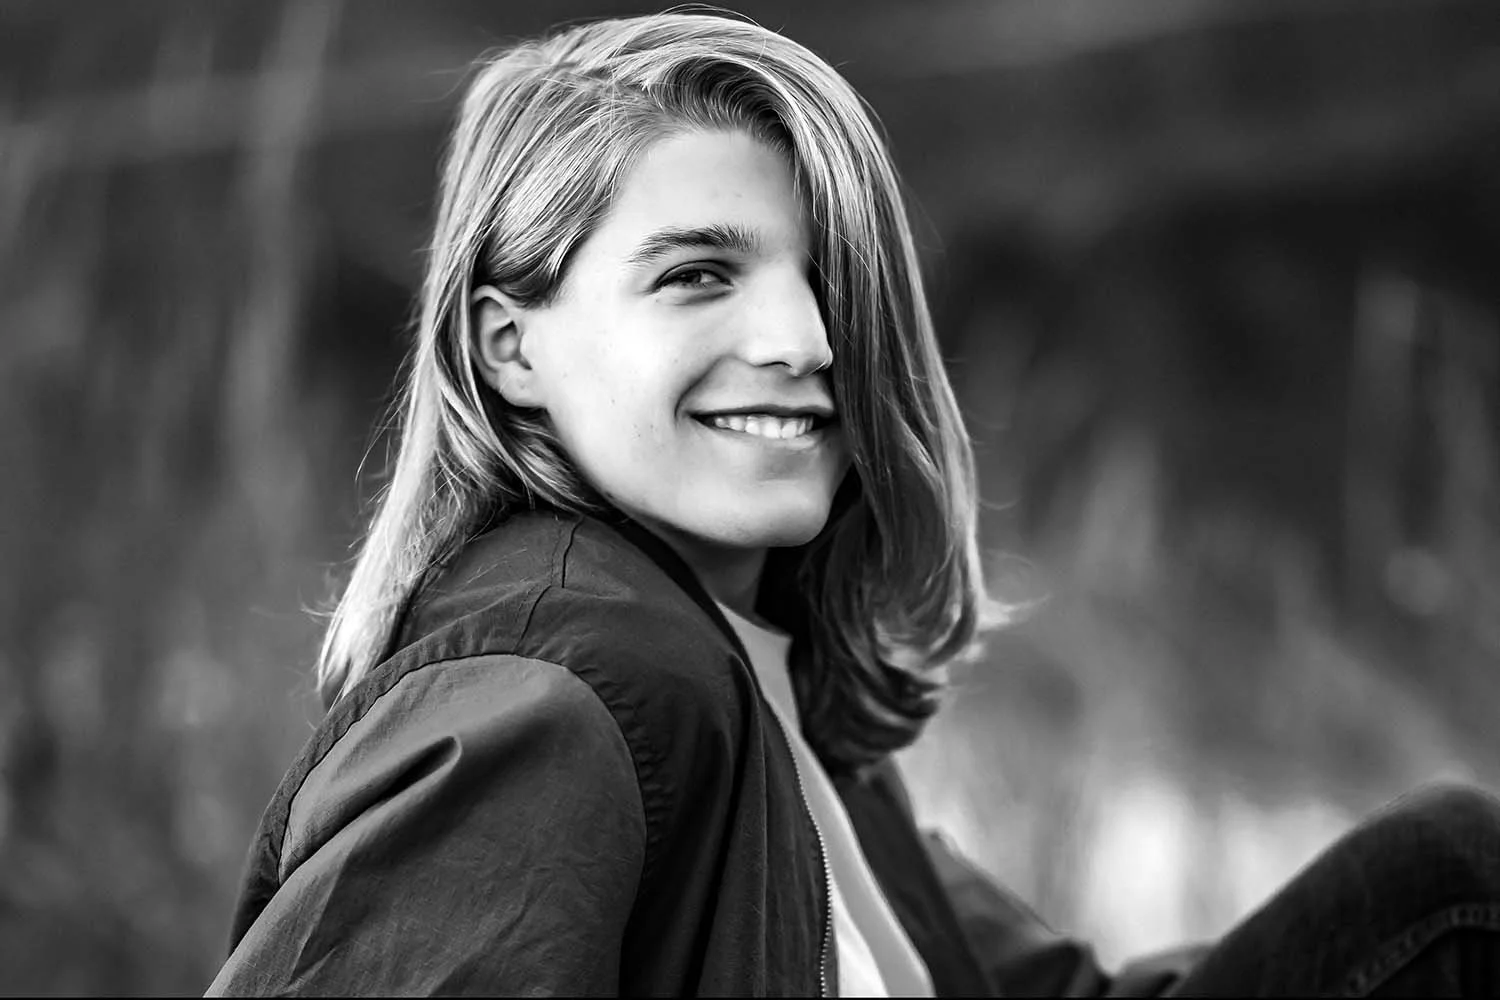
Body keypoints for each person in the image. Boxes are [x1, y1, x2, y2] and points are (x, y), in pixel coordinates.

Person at [207, 11, 1500, 997]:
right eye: (697, 275)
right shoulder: (562, 694)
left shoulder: (763, 672)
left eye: (828, 276)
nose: (804, 340)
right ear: (510, 348)